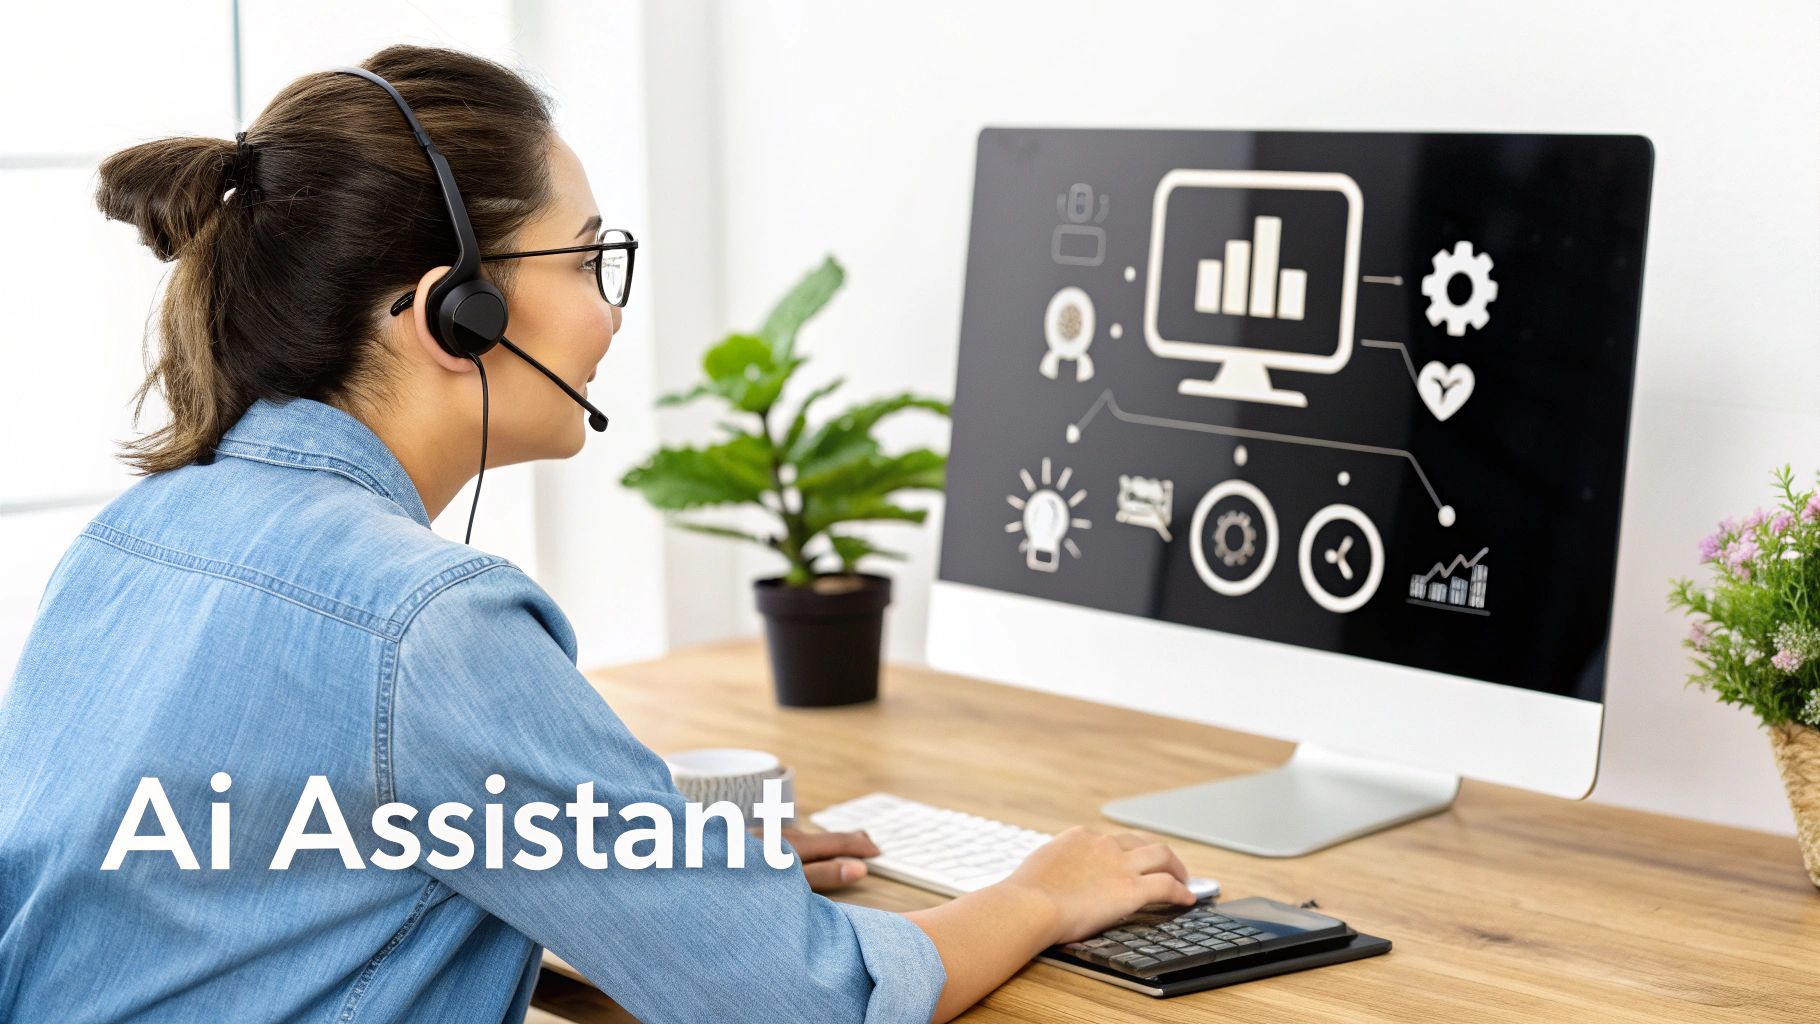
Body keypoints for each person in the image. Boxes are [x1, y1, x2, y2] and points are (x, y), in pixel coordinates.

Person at [0, 45, 1195, 1024]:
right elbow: (804, 1002)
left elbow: (267, 862)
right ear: (453, 313)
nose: (612, 310)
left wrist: (653, 861)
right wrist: (1041, 892)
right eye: (587, 259)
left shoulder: (132, 537)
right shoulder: (430, 622)